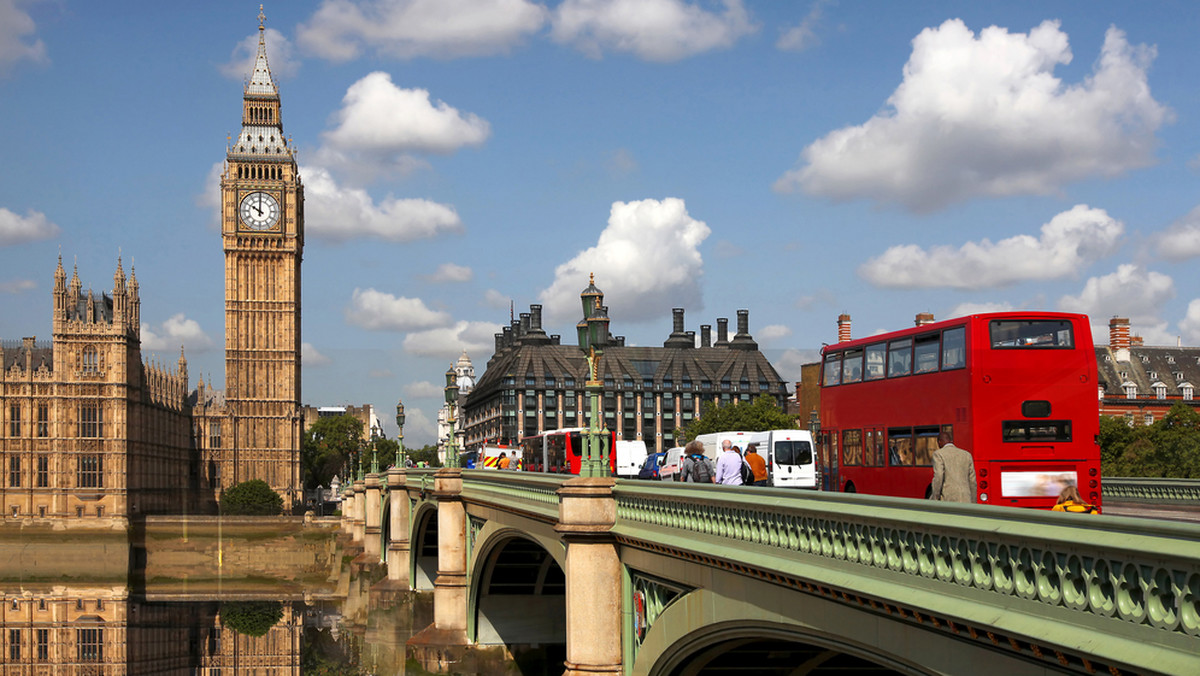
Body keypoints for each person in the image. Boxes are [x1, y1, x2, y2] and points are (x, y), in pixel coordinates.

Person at [930, 431, 975, 503]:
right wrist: (973, 501)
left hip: (948, 498)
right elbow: (972, 481)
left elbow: (939, 476)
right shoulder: (967, 455)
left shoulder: (938, 454)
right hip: (966, 498)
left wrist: (935, 497)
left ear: (940, 442)